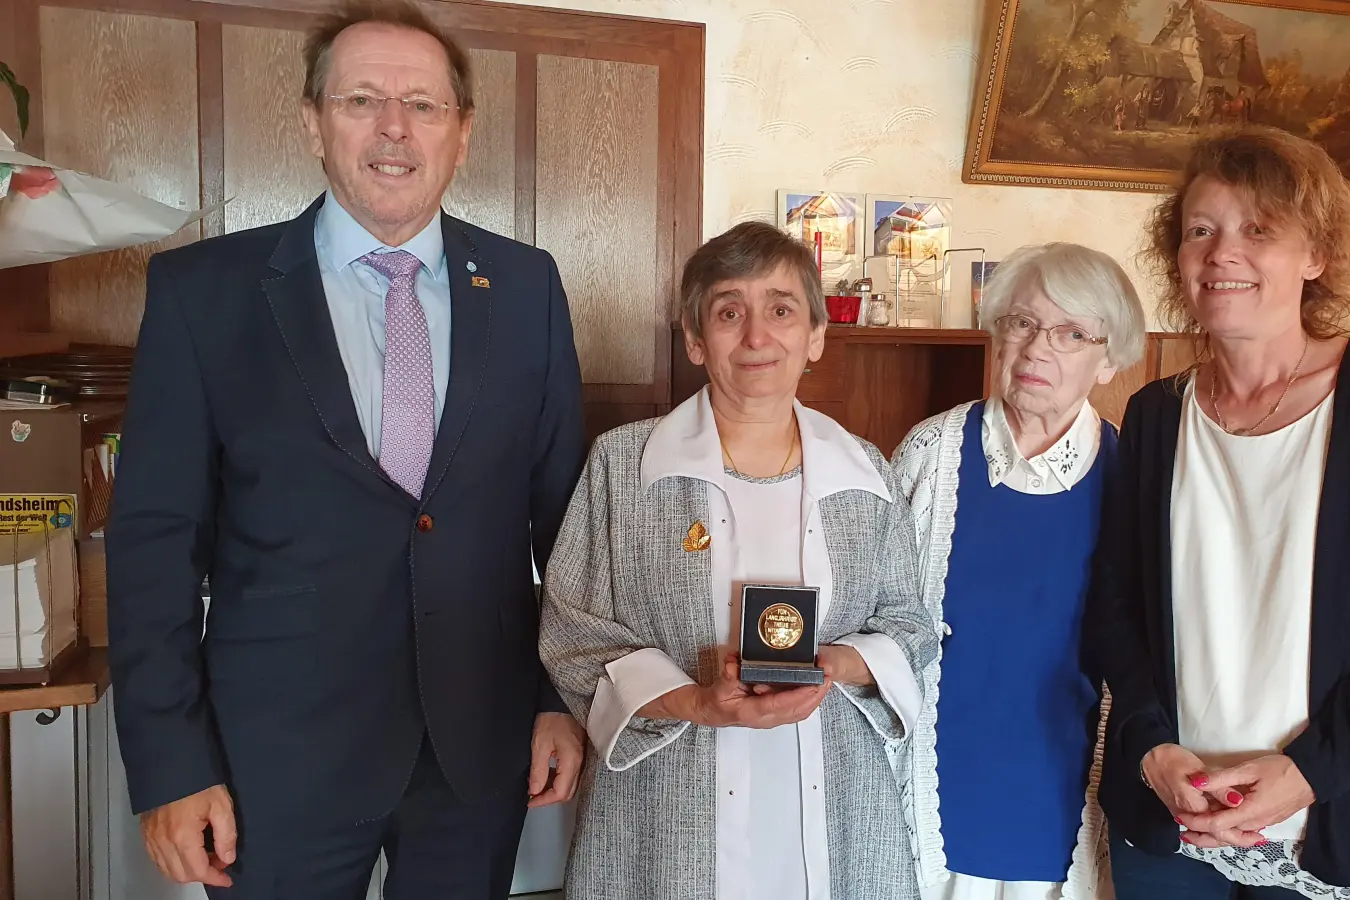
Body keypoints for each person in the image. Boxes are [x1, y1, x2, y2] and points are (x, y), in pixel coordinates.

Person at [106, 2, 588, 896]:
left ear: (463, 132)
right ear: (313, 122)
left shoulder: (527, 288)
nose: (394, 128)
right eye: (362, 99)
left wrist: (557, 701)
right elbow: (153, 548)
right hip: (273, 763)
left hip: (477, 750)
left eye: (424, 105)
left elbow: (567, 532)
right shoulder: (203, 294)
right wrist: (171, 764)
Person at [1089, 125, 1350, 899]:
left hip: (1334, 815)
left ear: (1315, 257)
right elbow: (1115, 603)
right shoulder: (1157, 415)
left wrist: (1311, 769)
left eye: (1257, 229)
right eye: (1202, 230)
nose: (1222, 251)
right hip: (1171, 814)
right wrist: (1150, 747)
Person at [539, 221, 937, 900]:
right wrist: (697, 701)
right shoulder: (623, 465)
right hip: (665, 807)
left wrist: (834, 663)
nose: (757, 336)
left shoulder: (865, 472)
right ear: (696, 339)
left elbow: (909, 624)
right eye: (730, 312)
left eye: (781, 310)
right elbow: (574, 633)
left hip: (832, 790)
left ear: (815, 335)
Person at [892, 243, 1146, 900]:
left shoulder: (1134, 479)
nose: (1039, 349)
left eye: (1071, 333)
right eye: (1023, 323)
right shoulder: (929, 455)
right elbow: (876, 611)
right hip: (928, 778)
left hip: (1058, 782)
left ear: (1109, 357)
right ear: (998, 333)